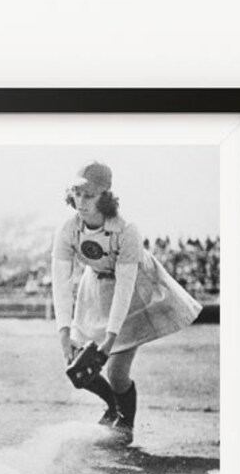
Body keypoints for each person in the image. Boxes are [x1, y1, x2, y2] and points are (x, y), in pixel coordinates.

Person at [51, 161, 202, 445]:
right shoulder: (68, 229)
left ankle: (125, 427)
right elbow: (60, 282)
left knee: (116, 371)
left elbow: (124, 285)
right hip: (93, 287)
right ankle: (114, 408)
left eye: (89, 195)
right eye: (77, 193)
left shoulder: (126, 229)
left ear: (105, 196)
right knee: (76, 365)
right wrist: (63, 332)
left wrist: (110, 339)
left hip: (134, 289)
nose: (81, 202)